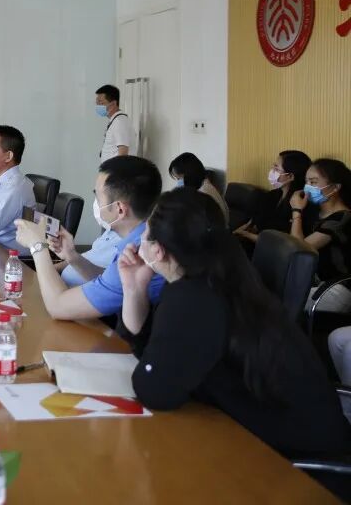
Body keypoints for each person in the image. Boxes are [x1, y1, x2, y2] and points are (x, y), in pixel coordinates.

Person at [117, 188, 349, 457]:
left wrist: (149, 368)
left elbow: (155, 391)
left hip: (292, 460)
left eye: (146, 231)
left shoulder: (195, 296)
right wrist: (134, 289)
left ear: (157, 250)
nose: (139, 239)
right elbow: (148, 348)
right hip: (267, 431)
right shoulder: (220, 272)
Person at [16, 155, 164, 320]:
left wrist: (37, 246)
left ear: (120, 209)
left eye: (98, 197)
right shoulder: (143, 237)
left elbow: (58, 307)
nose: (97, 203)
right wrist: (72, 257)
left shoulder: (138, 253)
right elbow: (108, 279)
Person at [235, 150, 313, 246]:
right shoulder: (270, 196)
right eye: (273, 166)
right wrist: (246, 229)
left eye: (276, 168)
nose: (272, 171)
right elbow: (255, 224)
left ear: (290, 176)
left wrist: (247, 235)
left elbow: (286, 243)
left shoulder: (300, 203)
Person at [290, 158, 350, 283]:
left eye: (313, 182)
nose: (307, 187)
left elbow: (298, 249)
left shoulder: (342, 218)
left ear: (335, 187)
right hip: (312, 278)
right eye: (306, 182)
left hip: (336, 283)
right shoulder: (313, 210)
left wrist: (296, 210)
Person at [168, 151, 229, 224]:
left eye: (179, 178)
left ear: (189, 175)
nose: (178, 183)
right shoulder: (204, 185)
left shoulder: (203, 193)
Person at [95, 84, 134, 163]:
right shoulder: (115, 121)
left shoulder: (120, 122)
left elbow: (123, 152)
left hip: (117, 170)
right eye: (97, 103)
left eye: (101, 103)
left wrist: (116, 171)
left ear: (113, 103)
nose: (98, 106)